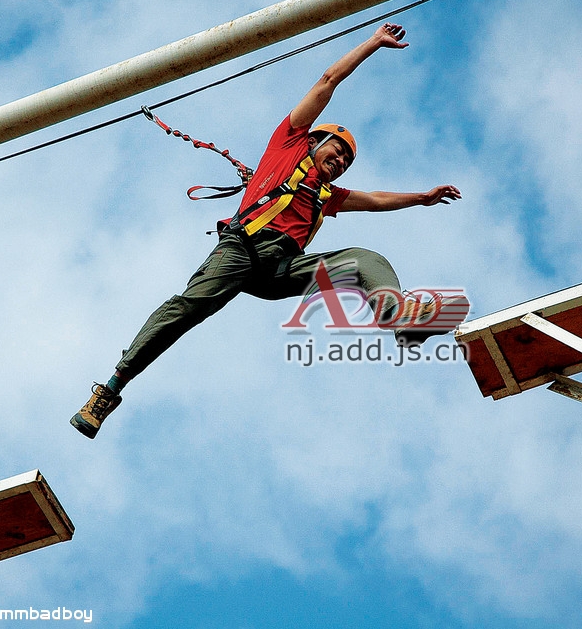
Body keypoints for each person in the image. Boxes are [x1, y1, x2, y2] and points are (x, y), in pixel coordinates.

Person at [72, 23, 466, 439]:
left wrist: (421, 198)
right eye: (338, 151)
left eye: (348, 161)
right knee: (188, 308)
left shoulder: (326, 195)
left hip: (280, 269)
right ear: (315, 141)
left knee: (366, 261)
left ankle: (398, 317)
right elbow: (328, 81)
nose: (342, 162)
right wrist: (372, 43)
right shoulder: (289, 143)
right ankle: (110, 390)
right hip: (241, 249)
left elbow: (374, 199)